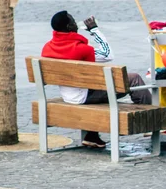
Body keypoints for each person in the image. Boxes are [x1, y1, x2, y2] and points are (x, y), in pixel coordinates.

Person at [41, 11, 151, 148]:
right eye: (73, 21)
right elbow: (107, 54)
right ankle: (149, 124)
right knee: (134, 79)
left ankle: (92, 136)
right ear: (69, 27)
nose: (76, 23)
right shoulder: (82, 49)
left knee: (98, 85)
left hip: (67, 95)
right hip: (83, 96)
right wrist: (94, 30)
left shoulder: (47, 48)